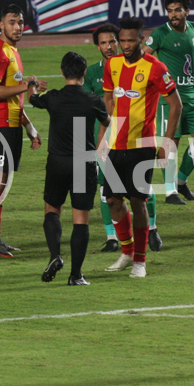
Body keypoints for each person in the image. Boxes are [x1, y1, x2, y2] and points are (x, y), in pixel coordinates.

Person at [101, 17, 182, 278]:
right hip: (116, 145)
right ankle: (126, 252)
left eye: (130, 40)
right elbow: (107, 97)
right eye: (121, 40)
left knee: (137, 202)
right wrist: (104, 135)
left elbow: (176, 105)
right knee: (113, 199)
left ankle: (140, 261)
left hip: (142, 147)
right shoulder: (112, 64)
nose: (124, 45)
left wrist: (167, 143)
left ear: (141, 39)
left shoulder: (155, 67)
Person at [29, 52, 110, 285]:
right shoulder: (93, 100)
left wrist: (32, 85)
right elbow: (107, 122)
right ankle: (76, 275)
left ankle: (55, 256)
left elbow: (33, 99)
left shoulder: (53, 97)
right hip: (84, 160)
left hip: (57, 161)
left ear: (62, 72)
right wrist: (99, 145)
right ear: (84, 73)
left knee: (52, 210)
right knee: (80, 220)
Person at [0, 4, 47, 257]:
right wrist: (27, 85)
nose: (17, 27)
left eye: (20, 22)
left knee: (4, 183)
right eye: (12, 22)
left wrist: (29, 126)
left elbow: (14, 98)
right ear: (1, 25)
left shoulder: (13, 52)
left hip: (11, 126)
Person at [144, 0, 194, 207]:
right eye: (169, 10)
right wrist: (154, 83)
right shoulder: (161, 33)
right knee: (170, 142)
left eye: (177, 10)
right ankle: (170, 191)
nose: (173, 14)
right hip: (169, 98)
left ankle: (181, 181)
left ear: (186, 11)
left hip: (192, 94)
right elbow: (143, 58)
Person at [83, 23, 123, 253]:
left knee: (139, 187)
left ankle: (150, 231)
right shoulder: (91, 74)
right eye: (104, 43)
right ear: (98, 46)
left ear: (119, 42)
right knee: (105, 189)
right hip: (103, 138)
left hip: (131, 134)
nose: (109, 46)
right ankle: (111, 237)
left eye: (112, 41)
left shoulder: (132, 68)